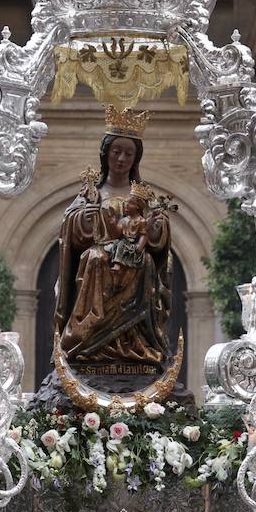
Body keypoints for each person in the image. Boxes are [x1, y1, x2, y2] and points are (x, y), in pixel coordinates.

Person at [54, 107, 174, 373]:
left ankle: (135, 345)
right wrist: (84, 218)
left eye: (128, 153)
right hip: (100, 256)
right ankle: (87, 339)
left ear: (136, 158)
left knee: (144, 263)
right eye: (116, 151)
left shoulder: (143, 195)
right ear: (105, 153)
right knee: (95, 258)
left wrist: (156, 227)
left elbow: (156, 236)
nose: (121, 158)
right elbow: (72, 228)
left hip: (134, 258)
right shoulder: (92, 193)